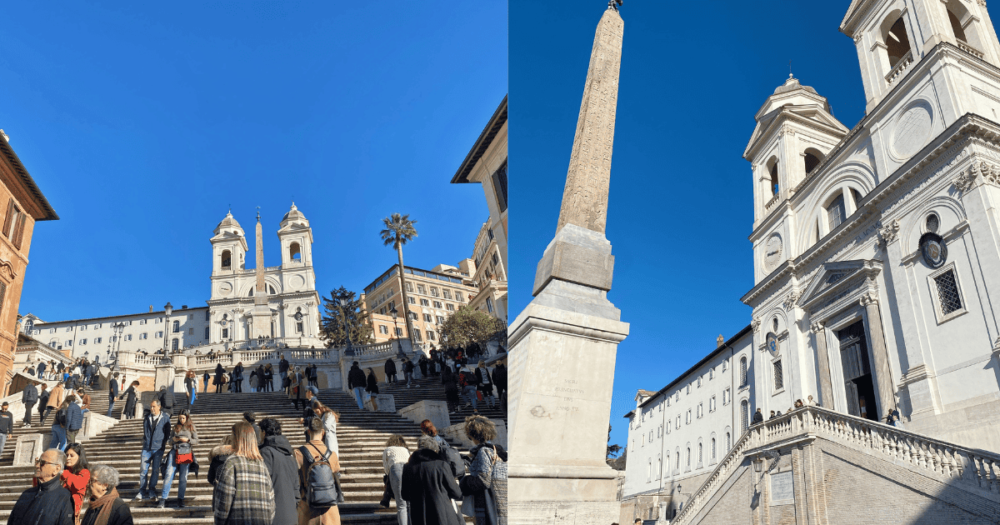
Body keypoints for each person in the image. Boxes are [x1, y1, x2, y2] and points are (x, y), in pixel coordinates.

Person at [212, 421, 276, 525]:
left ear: (237, 438)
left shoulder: (232, 463)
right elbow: (271, 502)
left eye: (233, 436)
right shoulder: (261, 465)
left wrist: (219, 522)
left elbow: (224, 501)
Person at [401, 436, 464, 525]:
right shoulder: (441, 465)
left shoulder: (407, 467)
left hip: (418, 516)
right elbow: (456, 493)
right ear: (434, 450)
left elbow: (405, 495)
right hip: (443, 515)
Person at [459, 416, 507, 525]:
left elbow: (483, 480)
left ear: (471, 434)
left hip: (487, 504)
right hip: (501, 503)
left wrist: (464, 481)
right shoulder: (498, 451)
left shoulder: (483, 451)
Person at [7, 448, 75, 525]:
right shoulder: (27, 494)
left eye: (42, 462)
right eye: (38, 461)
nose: (37, 465)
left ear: (56, 469)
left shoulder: (65, 497)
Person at [293, 418, 341, 525]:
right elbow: (337, 471)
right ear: (323, 432)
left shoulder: (297, 453)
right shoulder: (332, 455)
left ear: (308, 431)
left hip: (307, 509)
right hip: (329, 510)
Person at [258, 418, 300, 525]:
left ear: (264, 432)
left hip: (274, 515)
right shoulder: (289, 453)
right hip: (291, 513)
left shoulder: (266, 452)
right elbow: (296, 485)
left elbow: (263, 484)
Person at [159, 410, 198, 508]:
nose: (181, 420)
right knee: (168, 474)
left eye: (183, 418)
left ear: (187, 418)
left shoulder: (191, 427)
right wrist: (173, 440)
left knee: (183, 477)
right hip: (174, 451)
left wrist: (187, 440)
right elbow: (169, 441)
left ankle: (180, 499)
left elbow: (196, 440)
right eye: (180, 418)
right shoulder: (175, 427)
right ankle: (163, 499)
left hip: (186, 452)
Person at [135, 400, 171, 502]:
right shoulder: (147, 418)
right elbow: (145, 430)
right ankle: (142, 491)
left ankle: (152, 490)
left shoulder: (165, 418)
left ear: (159, 407)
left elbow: (167, 432)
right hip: (146, 448)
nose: (152, 409)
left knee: (155, 471)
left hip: (158, 449)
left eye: (154, 407)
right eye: (151, 407)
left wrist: (162, 444)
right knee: (143, 471)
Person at [381, 435, 411, 525]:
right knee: (409, 504)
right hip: (409, 470)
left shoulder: (387, 449)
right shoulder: (405, 450)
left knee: (401, 505)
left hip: (396, 469)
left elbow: (386, 469)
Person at [61, 442, 91, 521]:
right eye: (66, 455)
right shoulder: (63, 472)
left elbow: (77, 485)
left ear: (79, 457)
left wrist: (64, 473)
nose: (68, 458)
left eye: (72, 455)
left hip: (71, 514)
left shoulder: (85, 472)